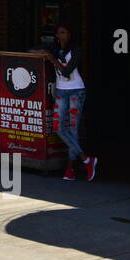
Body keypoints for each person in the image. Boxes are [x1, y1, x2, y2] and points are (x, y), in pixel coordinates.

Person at [44, 23, 96, 181]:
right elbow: (34, 50)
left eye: (65, 32)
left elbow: (66, 72)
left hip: (76, 91)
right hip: (61, 90)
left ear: (70, 35)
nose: (62, 35)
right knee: (58, 127)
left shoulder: (76, 50)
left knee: (73, 129)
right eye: (59, 33)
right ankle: (87, 159)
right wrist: (42, 52)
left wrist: (52, 59)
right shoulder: (54, 49)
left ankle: (70, 170)